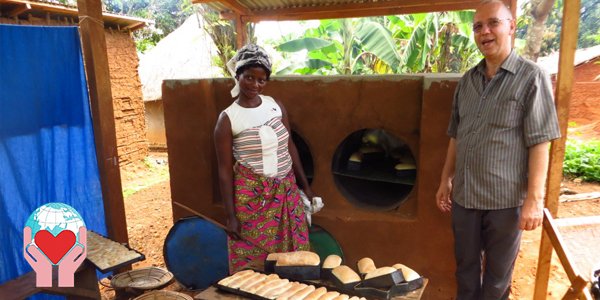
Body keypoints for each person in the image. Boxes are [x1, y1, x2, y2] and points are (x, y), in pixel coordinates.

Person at [435, 0, 560, 299]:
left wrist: (534, 199)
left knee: (497, 280)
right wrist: (445, 179)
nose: (485, 32)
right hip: (464, 198)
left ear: (512, 26)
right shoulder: (468, 81)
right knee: (465, 271)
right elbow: (456, 135)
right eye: (478, 26)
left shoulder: (532, 77)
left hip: (505, 202)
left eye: (493, 23)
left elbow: (540, 140)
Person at [214, 44, 315, 273]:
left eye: (261, 80)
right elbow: (224, 170)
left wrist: (306, 188)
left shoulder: (274, 106)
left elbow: (289, 146)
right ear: (237, 75)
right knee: (254, 258)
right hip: (253, 198)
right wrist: (230, 215)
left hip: (286, 191)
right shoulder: (228, 118)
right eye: (249, 77)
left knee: (294, 255)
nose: (255, 85)